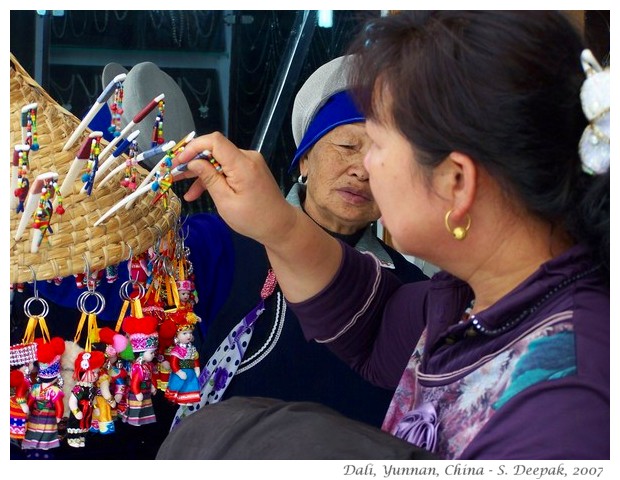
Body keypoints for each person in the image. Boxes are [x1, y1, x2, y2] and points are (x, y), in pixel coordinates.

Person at [169, 11, 609, 460]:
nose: (366, 168)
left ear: (456, 182)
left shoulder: (566, 404)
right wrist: (275, 222)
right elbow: (373, 321)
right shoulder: (462, 302)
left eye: (378, 143)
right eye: (349, 145)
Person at [174, 55, 427, 429]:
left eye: (381, 155)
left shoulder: (409, 288)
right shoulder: (219, 241)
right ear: (305, 159)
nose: (361, 170)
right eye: (347, 146)